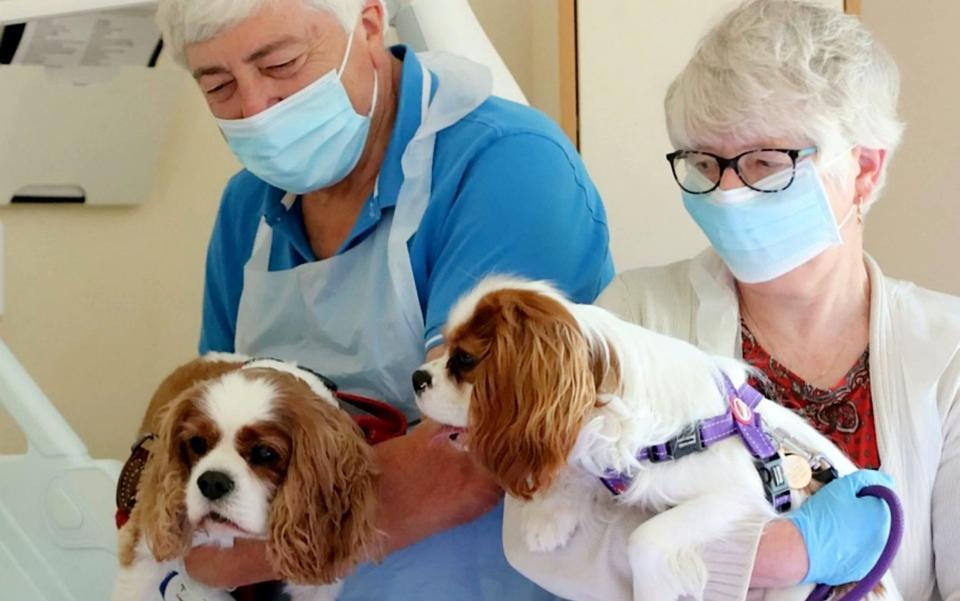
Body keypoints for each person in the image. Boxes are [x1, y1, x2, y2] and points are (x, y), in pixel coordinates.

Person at [152, 0, 614, 599]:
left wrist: (221, 561)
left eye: (283, 64)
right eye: (217, 85)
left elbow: (467, 463)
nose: (255, 109)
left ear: (368, 25)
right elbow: (202, 433)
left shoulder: (505, 168)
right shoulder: (249, 208)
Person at [504, 1, 959, 600]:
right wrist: (771, 556)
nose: (726, 194)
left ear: (865, 170)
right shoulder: (635, 316)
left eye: (766, 164)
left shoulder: (946, 350)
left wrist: (684, 557)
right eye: (704, 162)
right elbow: (542, 533)